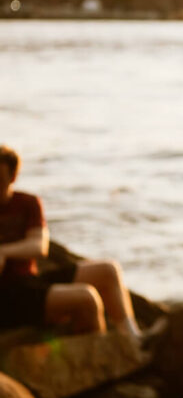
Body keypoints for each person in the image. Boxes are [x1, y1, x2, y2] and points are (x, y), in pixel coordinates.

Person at [0, 145, 145, 338]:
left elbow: (39, 247)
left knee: (108, 270)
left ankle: (133, 339)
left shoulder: (27, 202)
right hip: (9, 297)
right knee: (87, 298)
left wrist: (3, 251)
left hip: (30, 282)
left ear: (12, 177)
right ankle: (99, 357)